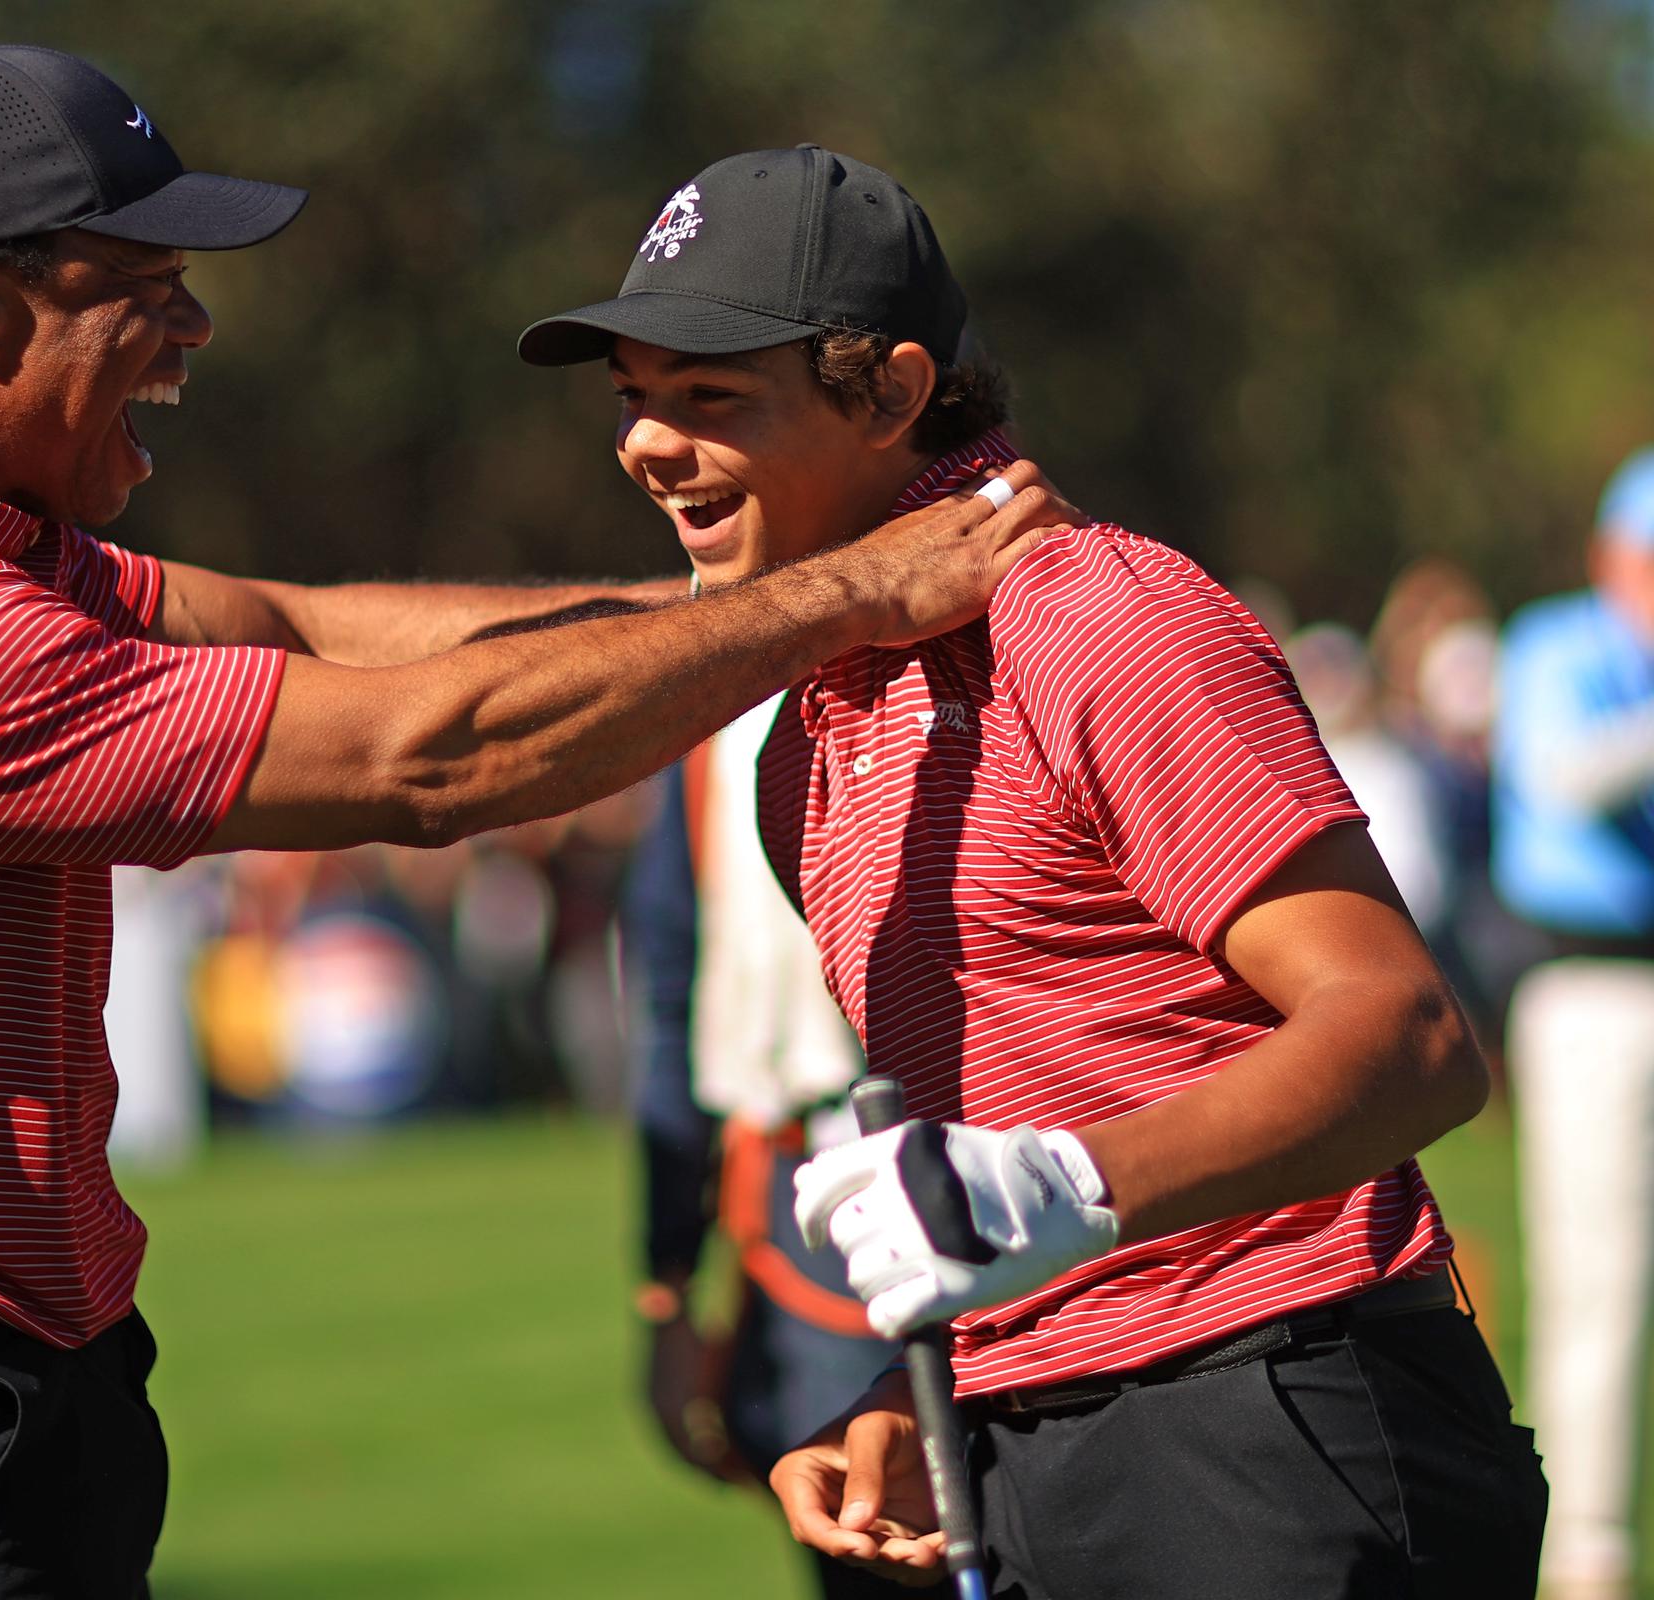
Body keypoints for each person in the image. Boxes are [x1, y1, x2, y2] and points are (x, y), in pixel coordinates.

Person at [0, 44, 1064, 1600]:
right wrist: (860, 592)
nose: (193, 329)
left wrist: (755, 601)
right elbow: (431, 760)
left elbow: (299, 626)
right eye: (145, 286)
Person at [519, 144, 1546, 1597]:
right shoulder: (798, 738)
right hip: (1027, 1439)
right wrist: (903, 1395)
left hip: (1273, 1412)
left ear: (889, 390)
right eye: (633, 399)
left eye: (708, 398)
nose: (645, 445)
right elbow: (1005, 1132)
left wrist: (1066, 1183)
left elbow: (1412, 1037)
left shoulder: (1092, 616)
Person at [620, 628, 900, 1597]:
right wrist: (666, 1288)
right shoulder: (719, 721)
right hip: (817, 1202)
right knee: (871, 1556)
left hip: (1036, 1172)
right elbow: (674, 1007)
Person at [1494, 446, 1654, 1600]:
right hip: (1588, 987)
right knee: (1594, 1274)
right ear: (1611, 557)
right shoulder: (1554, 646)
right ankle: (1586, 1549)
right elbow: (1562, 778)